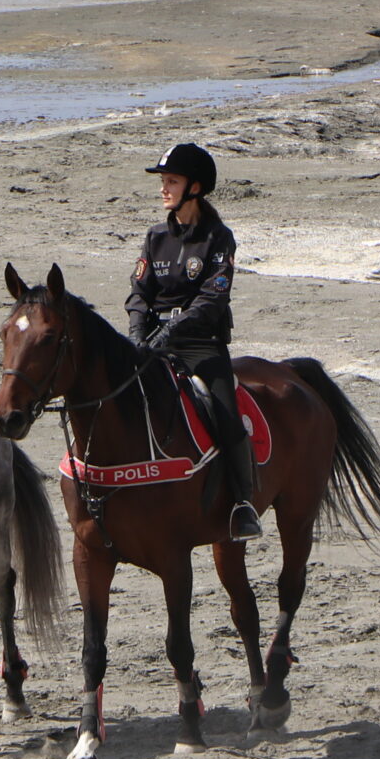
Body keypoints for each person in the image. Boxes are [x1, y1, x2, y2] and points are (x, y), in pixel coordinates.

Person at [126, 142, 261, 542]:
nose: (163, 189)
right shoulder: (155, 237)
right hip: (152, 341)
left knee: (226, 416)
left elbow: (212, 299)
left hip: (201, 345)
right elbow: (139, 291)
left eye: (172, 182)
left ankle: (243, 502)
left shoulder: (219, 239)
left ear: (196, 188)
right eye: (163, 181)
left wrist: (172, 330)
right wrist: (137, 331)